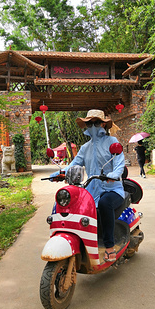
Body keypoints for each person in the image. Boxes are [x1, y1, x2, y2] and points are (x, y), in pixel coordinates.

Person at [50, 109, 125, 262]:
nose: (92, 126)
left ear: (103, 124)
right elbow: (74, 164)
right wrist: (60, 172)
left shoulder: (113, 142)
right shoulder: (85, 148)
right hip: (91, 189)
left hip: (112, 188)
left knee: (104, 204)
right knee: (73, 204)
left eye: (96, 123)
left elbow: (119, 163)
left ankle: (109, 247)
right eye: (89, 123)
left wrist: (114, 175)